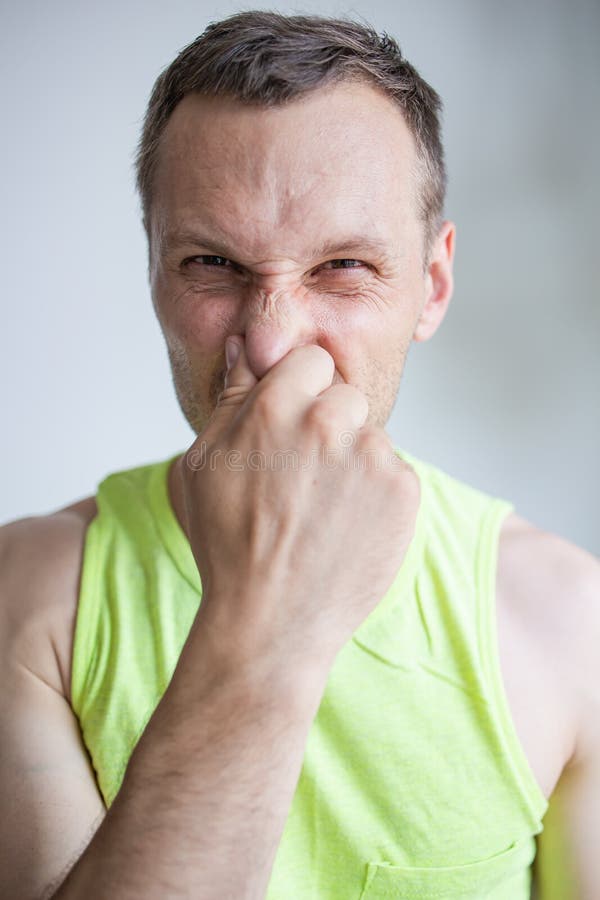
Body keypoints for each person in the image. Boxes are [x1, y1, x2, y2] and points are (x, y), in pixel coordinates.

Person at [1, 10, 598, 900]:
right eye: (213, 263)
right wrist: (264, 617)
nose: (273, 345)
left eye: (344, 267)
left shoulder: (571, 621)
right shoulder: (29, 598)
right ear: (155, 273)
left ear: (431, 286)